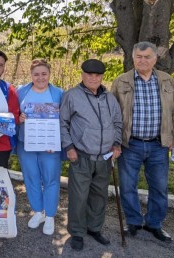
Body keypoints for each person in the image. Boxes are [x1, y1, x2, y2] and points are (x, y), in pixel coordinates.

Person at [110, 41, 174, 243]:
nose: (143, 61)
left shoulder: (167, 81)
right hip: (129, 144)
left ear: (155, 59)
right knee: (128, 185)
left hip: (159, 145)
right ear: (133, 58)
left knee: (159, 186)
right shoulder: (121, 81)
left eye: (147, 57)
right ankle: (133, 221)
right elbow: (113, 115)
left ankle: (154, 223)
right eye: (139, 57)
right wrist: (114, 142)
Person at [60, 59, 123, 250]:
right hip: (81, 156)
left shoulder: (110, 98)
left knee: (99, 196)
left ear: (102, 77)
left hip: (105, 157)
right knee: (79, 197)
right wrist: (69, 147)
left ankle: (94, 228)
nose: (93, 78)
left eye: (97, 75)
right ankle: (77, 232)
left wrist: (117, 143)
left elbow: (117, 123)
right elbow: (62, 123)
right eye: (89, 74)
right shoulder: (72, 96)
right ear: (82, 74)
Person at [16, 59, 63, 235]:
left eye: (44, 73)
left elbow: (64, 119)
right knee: (31, 178)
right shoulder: (21, 92)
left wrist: (55, 140)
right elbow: (13, 113)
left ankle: (50, 215)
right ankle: (38, 212)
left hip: (50, 146)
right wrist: (18, 118)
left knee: (51, 179)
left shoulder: (59, 93)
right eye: (36, 74)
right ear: (31, 75)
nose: (40, 77)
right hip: (25, 143)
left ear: (49, 74)